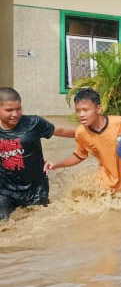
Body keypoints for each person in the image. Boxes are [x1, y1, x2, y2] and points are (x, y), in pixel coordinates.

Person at [45, 88, 121, 191]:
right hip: (107, 187)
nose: (81, 115)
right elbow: (79, 155)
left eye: (85, 110)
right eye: (78, 111)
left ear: (98, 109)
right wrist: (56, 165)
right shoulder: (81, 133)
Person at [0, 87, 76, 219]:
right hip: (5, 191)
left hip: (36, 190)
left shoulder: (33, 123)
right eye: (9, 110)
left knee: (39, 226)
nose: (15, 114)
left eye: (18, 109)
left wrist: (91, 134)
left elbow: (61, 131)